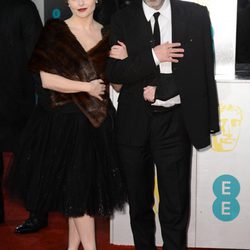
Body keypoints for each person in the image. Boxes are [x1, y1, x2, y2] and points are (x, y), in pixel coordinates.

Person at [7, 0, 127, 248]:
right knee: (79, 194)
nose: (80, 2)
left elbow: (116, 85)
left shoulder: (108, 33)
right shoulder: (55, 31)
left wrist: (123, 61)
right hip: (65, 123)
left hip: (98, 123)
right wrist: (87, 87)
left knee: (77, 195)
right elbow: (47, 80)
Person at [107, 0, 220, 249]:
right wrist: (153, 56)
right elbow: (115, 74)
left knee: (175, 204)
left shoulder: (195, 15)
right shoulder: (122, 19)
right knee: (139, 204)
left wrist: (162, 86)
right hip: (133, 124)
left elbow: (201, 71)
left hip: (175, 123)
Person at [0, 0, 43, 224]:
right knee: (29, 158)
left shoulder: (22, 7)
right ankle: (37, 213)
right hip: (20, 99)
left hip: (19, 100)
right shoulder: (24, 7)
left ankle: (37, 212)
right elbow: (36, 55)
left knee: (29, 158)